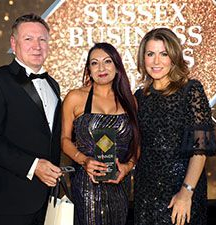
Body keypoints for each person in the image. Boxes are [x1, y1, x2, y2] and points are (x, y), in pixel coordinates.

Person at [0, 13, 63, 225]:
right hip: (9, 201)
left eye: (42, 39)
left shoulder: (53, 85)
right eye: (28, 39)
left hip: (48, 200)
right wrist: (33, 166)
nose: (37, 46)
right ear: (14, 43)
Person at [133, 28, 216, 225]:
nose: (156, 61)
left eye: (163, 54)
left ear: (174, 57)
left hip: (181, 191)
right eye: (150, 54)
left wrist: (186, 192)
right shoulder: (140, 97)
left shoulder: (191, 90)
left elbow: (200, 149)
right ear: (142, 58)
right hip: (146, 193)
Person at [61, 42, 140, 225]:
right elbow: (64, 140)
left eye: (107, 61)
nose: (101, 68)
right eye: (94, 63)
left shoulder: (130, 100)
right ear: (88, 69)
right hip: (86, 184)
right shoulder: (75, 97)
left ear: (117, 66)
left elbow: (137, 143)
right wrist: (84, 160)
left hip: (119, 183)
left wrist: (128, 167)